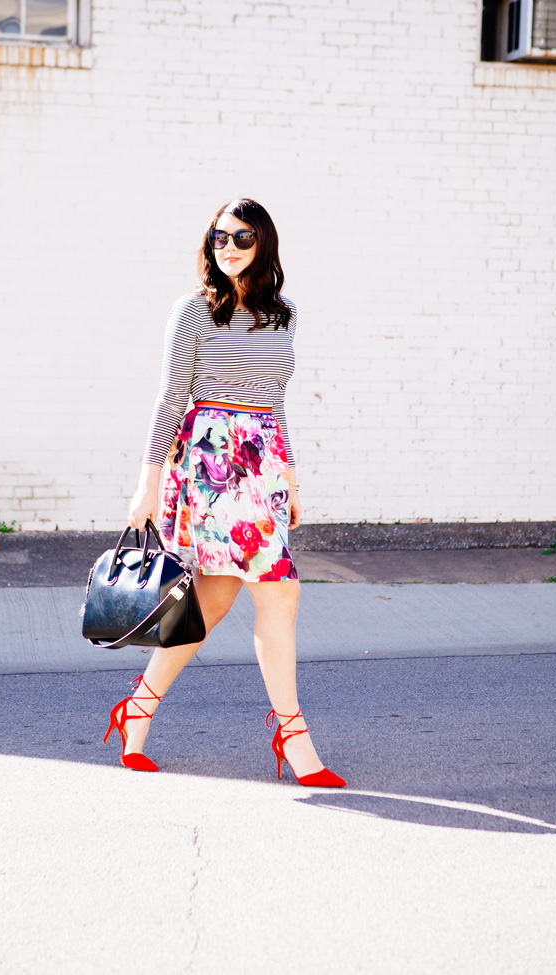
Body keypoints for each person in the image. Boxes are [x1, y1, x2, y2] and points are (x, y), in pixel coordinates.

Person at [103, 198, 346, 788]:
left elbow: (275, 398)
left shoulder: (282, 313)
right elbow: (170, 400)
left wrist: (288, 471)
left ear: (263, 243)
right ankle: (293, 735)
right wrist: (147, 485)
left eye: (241, 238)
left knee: (212, 601)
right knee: (279, 592)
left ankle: (136, 710)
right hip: (213, 460)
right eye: (219, 238)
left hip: (262, 465)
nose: (229, 247)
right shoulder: (193, 310)